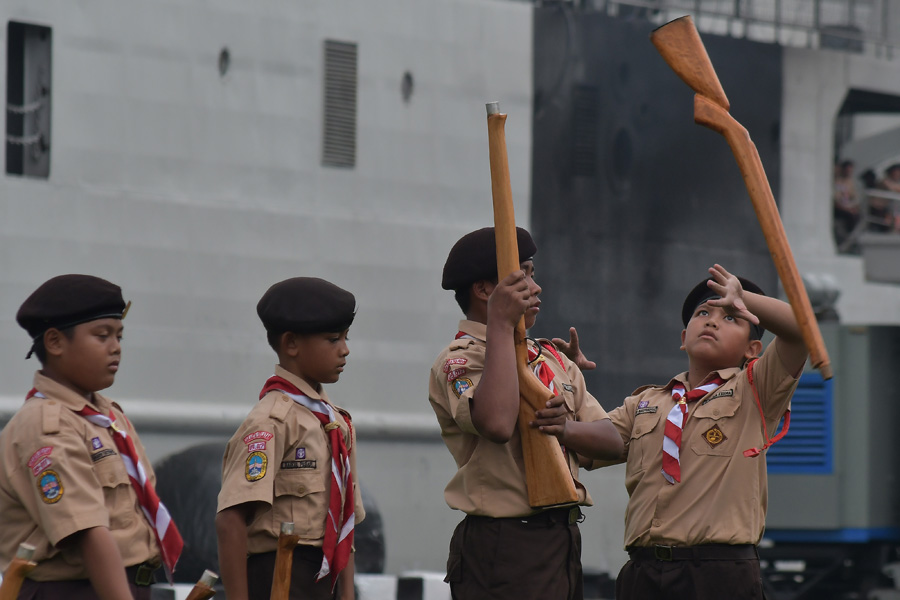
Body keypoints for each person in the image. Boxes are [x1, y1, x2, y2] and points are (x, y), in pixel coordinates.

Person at [584, 265, 807, 600]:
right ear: (683, 338)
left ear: (752, 350)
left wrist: (744, 299)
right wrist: (570, 380)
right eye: (703, 313)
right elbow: (586, 445)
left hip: (717, 574)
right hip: (644, 572)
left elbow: (801, 330)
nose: (712, 321)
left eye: (731, 317)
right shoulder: (645, 403)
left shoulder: (755, 389)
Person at [428, 226, 624, 600]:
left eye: (533, 275)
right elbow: (497, 423)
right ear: (484, 290)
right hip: (504, 543)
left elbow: (612, 442)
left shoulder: (550, 359)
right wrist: (501, 325)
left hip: (562, 538)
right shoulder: (461, 361)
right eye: (523, 277)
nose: (536, 288)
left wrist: (566, 429)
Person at [0, 274, 183, 600]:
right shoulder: (47, 427)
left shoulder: (107, 417)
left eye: (119, 336)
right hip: (74, 590)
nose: (116, 348)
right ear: (55, 342)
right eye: (102, 336)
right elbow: (88, 531)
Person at [216, 277, 364, 600]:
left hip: (324, 580)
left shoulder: (336, 424)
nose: (345, 349)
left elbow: (345, 523)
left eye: (346, 337)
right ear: (292, 344)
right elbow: (230, 520)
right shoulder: (271, 422)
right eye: (333, 339)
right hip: (279, 578)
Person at [832, 159, 860, 245]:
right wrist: (846, 208)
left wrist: (852, 207)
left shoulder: (850, 182)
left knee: (857, 216)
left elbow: (854, 197)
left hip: (848, 207)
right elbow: (836, 198)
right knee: (850, 216)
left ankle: (849, 236)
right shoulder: (837, 181)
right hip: (839, 208)